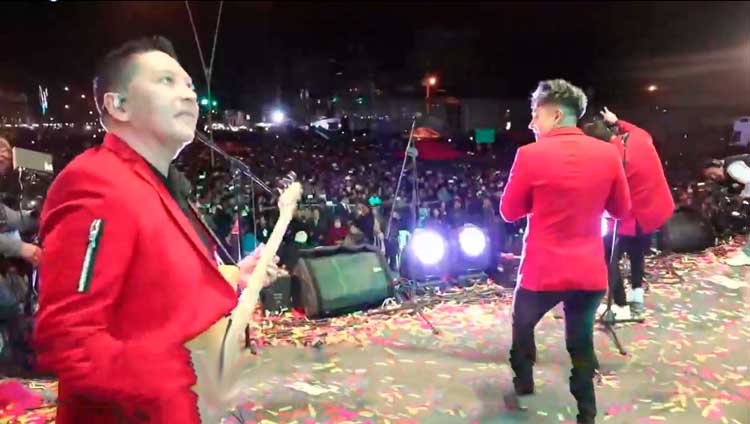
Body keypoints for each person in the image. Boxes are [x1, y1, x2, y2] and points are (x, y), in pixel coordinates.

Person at [32, 36, 275, 423]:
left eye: (190, 86)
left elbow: (156, 295)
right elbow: (71, 339)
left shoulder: (160, 185)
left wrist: (234, 276)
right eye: (167, 82)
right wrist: (185, 384)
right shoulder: (96, 183)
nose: (189, 96)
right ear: (118, 105)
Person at [500, 79, 630, 424]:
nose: (531, 125)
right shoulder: (608, 154)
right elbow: (620, 210)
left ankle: (524, 380)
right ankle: (586, 411)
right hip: (588, 272)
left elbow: (509, 211)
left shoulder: (529, 155)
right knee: (580, 339)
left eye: (535, 116)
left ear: (555, 115)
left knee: (522, 324)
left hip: (542, 271)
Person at [582, 108, 674, 317]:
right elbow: (631, 128)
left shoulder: (612, 159)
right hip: (655, 210)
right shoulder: (639, 137)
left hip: (634, 215)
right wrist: (617, 120)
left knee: (608, 257)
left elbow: (611, 198)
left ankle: (620, 306)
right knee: (636, 252)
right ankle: (637, 296)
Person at [703, 154, 750, 266]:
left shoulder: (732, 167)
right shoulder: (729, 179)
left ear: (718, 165)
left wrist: (742, 197)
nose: (713, 177)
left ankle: (747, 255)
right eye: (710, 177)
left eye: (712, 173)